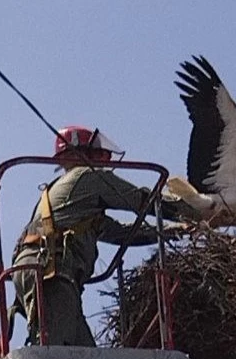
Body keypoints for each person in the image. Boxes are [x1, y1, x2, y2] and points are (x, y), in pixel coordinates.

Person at [11, 125, 188, 346]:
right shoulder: (87, 177)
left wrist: (175, 231)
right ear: (85, 153)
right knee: (57, 354)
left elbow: (124, 234)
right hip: (50, 273)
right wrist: (194, 210)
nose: (104, 162)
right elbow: (140, 200)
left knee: (85, 356)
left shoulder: (77, 205)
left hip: (49, 273)